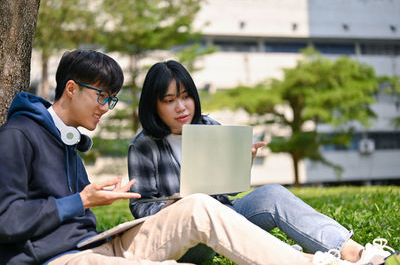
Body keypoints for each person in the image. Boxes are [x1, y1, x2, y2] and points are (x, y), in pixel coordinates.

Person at [0, 49, 337, 265]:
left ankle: (323, 261)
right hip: (57, 257)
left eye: (111, 99)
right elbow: (6, 220)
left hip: (96, 244)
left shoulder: (68, 141)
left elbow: (225, 197)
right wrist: (82, 200)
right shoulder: (18, 136)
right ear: (71, 89)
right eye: (102, 96)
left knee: (202, 204)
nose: (106, 107)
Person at [128, 60, 395, 265]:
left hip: (227, 218)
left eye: (186, 96)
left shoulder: (208, 127)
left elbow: (227, 192)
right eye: (170, 100)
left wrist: (242, 164)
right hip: (186, 240)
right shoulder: (143, 145)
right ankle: (285, 255)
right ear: (155, 105)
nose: (182, 107)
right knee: (201, 208)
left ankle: (356, 253)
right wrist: (174, 207)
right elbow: (139, 207)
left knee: (272, 194)